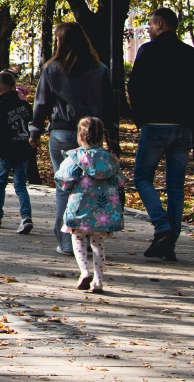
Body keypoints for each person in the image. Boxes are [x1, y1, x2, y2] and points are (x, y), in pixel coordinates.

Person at [128, 7, 194, 261]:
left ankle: (161, 226)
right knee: (176, 187)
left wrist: (140, 119)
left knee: (142, 177)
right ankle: (169, 244)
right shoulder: (193, 55)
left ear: (161, 24)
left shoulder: (148, 52)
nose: (150, 30)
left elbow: (135, 86)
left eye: (152, 25)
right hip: (184, 128)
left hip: (154, 125)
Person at [31, 23, 116, 255]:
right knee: (92, 186)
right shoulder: (99, 69)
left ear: (61, 42)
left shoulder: (51, 69)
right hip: (92, 134)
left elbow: (41, 103)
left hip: (62, 133)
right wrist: (112, 138)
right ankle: (90, 237)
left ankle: (67, 242)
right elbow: (109, 106)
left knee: (64, 188)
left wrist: (35, 130)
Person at [55, 116, 126, 293]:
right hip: (104, 209)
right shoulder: (110, 158)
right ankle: (99, 281)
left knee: (78, 237)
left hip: (80, 206)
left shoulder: (76, 156)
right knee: (97, 241)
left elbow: (64, 179)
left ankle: (84, 271)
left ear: (80, 135)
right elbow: (120, 181)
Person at [0, 70, 36, 234]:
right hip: (23, 149)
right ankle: (26, 216)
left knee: (0, 183)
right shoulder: (25, 106)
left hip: (5, 150)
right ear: (15, 87)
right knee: (20, 184)